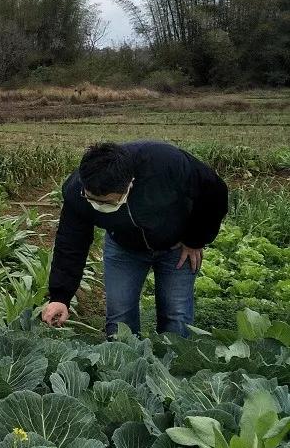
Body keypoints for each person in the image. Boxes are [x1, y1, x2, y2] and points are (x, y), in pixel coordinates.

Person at [42, 141, 228, 337]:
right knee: (120, 320)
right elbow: (71, 242)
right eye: (92, 199)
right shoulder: (76, 190)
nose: (98, 206)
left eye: (107, 202)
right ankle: (122, 365)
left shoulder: (165, 162)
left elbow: (214, 192)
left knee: (176, 316)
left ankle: (174, 366)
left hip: (176, 248)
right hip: (124, 248)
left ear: (129, 184)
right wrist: (60, 296)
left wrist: (195, 239)